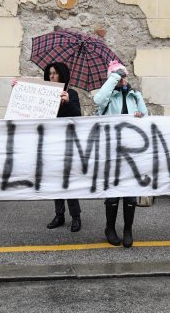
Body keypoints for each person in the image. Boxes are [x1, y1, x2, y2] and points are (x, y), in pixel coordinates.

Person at [93, 60, 148, 247]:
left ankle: (128, 229)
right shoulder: (108, 98)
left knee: (131, 193)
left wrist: (140, 107)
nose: (123, 80)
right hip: (112, 152)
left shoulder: (134, 96)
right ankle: (110, 228)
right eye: (119, 77)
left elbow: (145, 116)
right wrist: (115, 75)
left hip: (132, 153)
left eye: (124, 76)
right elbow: (97, 101)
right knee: (114, 193)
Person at [42, 62, 83, 232]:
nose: (51, 76)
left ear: (62, 75)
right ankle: (59, 215)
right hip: (51, 143)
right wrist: (18, 88)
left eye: (55, 73)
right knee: (55, 180)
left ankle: (76, 216)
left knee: (67, 181)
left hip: (67, 144)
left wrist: (67, 102)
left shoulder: (71, 94)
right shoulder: (44, 95)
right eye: (49, 73)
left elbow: (78, 116)